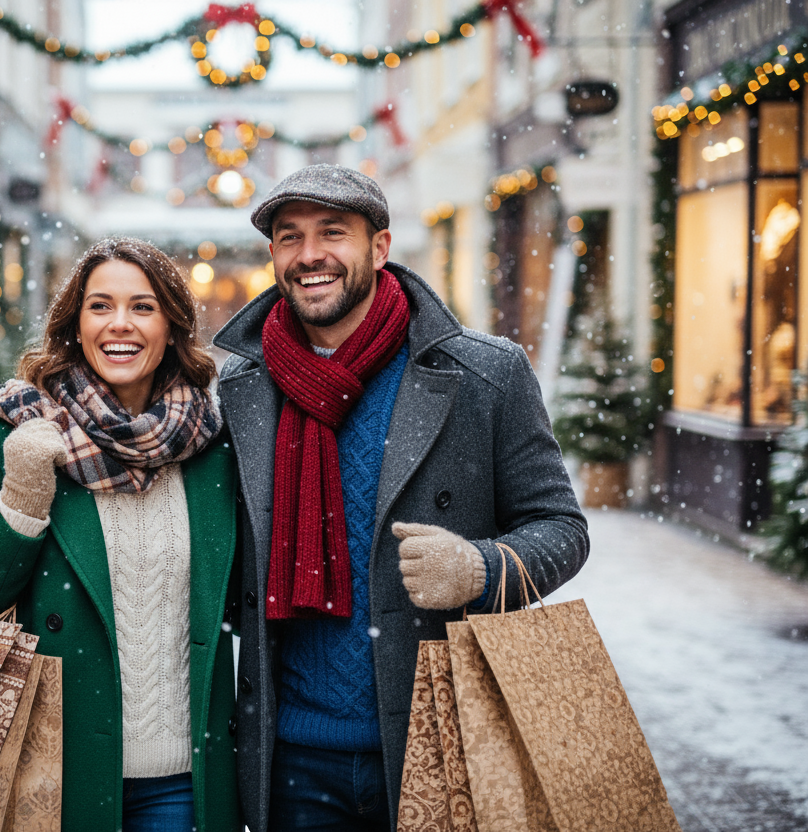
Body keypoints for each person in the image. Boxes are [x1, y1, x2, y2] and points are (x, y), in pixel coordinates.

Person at [213, 165, 589, 831]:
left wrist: (480, 568)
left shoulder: (484, 375)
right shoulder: (241, 390)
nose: (310, 256)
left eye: (333, 233)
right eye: (290, 237)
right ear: (273, 255)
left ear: (379, 248)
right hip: (292, 756)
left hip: (445, 736)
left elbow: (560, 526)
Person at [0, 237, 241, 832]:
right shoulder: (16, 429)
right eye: (100, 306)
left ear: (172, 327)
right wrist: (23, 498)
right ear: (74, 324)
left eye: (143, 307)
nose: (119, 324)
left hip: (186, 778)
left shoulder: (213, 443)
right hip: (51, 768)